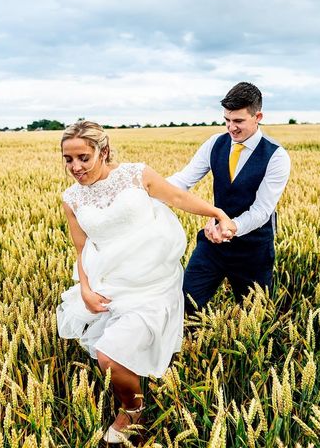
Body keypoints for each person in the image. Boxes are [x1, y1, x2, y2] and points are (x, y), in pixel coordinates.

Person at [56, 120, 234, 444]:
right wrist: (84, 288)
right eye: (68, 159)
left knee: (108, 356)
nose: (75, 166)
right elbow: (82, 249)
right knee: (109, 356)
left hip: (154, 280)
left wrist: (217, 212)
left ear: (103, 151)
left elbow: (179, 198)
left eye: (83, 157)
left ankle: (133, 410)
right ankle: (133, 403)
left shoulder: (136, 174)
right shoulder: (71, 199)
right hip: (111, 283)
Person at [168, 82, 291, 312]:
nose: (230, 128)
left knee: (253, 318)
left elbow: (261, 211)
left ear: (258, 116)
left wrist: (229, 227)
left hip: (253, 251)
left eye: (238, 121)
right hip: (212, 245)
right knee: (183, 304)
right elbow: (184, 180)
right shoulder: (215, 144)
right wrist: (150, 191)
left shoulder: (276, 156)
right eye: (226, 120)